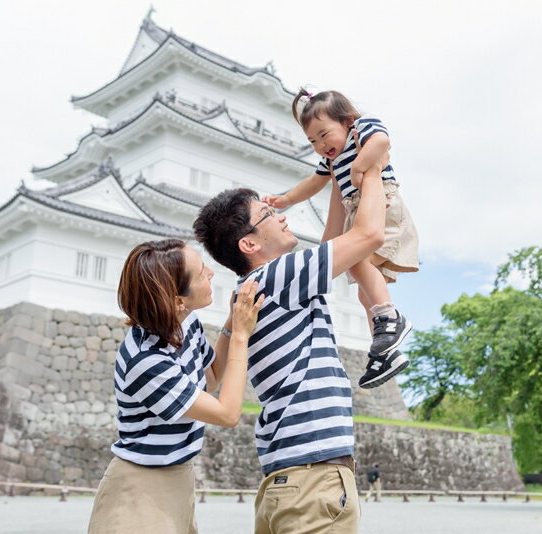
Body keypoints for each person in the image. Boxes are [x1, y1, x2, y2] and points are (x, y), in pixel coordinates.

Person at [193, 147, 390, 533]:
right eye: (267, 215)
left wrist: (338, 176)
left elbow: (333, 240)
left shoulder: (251, 289)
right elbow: (369, 234)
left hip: (285, 479)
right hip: (314, 478)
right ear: (249, 245)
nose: (281, 216)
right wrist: (373, 167)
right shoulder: (278, 276)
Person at [87, 239, 264, 534]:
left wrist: (233, 320)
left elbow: (212, 375)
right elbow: (227, 414)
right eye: (200, 273)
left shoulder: (185, 325)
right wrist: (241, 337)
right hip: (140, 488)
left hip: (179, 477)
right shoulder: (145, 361)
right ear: (177, 300)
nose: (211, 273)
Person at [261, 89, 419, 389]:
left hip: (382, 204)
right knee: (363, 291)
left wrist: (360, 166)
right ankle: (386, 351)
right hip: (356, 210)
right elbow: (313, 183)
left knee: (355, 260)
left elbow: (383, 142)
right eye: (312, 142)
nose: (321, 145)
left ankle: (390, 316)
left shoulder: (361, 128)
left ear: (346, 121)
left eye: (324, 135)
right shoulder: (332, 161)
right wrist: (286, 199)